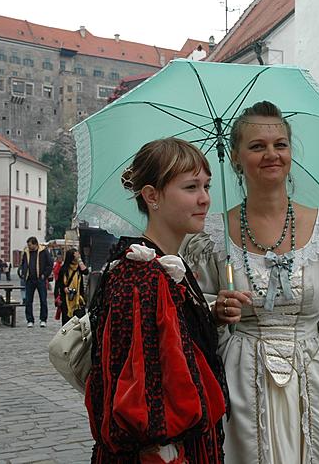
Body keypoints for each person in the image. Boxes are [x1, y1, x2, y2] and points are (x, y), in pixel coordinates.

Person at [183, 101, 319, 464]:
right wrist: (215, 311)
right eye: (257, 146)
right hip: (240, 387)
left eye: (280, 144)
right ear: (236, 157)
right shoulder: (210, 238)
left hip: (314, 386)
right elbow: (188, 322)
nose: (271, 154)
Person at [86, 137, 226, 463]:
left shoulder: (167, 267)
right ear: (151, 196)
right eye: (191, 187)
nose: (204, 199)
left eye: (206, 186)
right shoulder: (138, 275)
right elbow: (137, 394)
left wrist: (210, 316)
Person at [18, 237, 53, 328]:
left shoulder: (43, 251)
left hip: (40, 279)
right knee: (28, 300)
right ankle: (29, 320)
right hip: (29, 279)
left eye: (30, 245)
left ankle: (43, 319)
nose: (28, 247)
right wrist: (23, 273)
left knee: (43, 300)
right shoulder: (26, 252)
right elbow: (23, 263)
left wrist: (44, 275)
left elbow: (50, 264)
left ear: (35, 244)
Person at [53, 248, 89, 325]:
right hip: (66, 299)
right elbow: (59, 284)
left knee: (81, 321)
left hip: (78, 299)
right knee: (67, 322)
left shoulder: (79, 267)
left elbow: (86, 272)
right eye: (76, 256)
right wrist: (64, 288)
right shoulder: (64, 269)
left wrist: (79, 260)